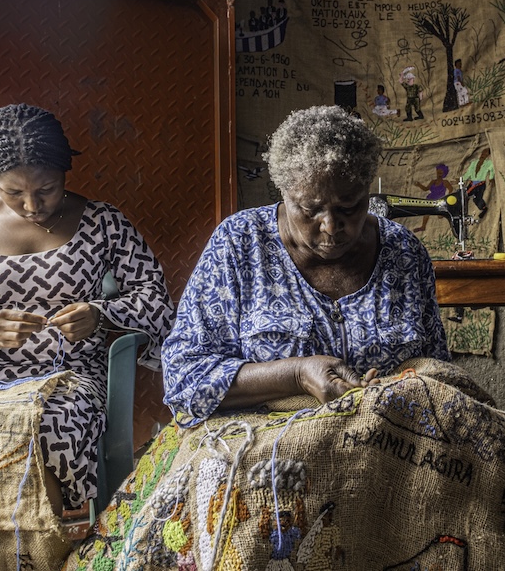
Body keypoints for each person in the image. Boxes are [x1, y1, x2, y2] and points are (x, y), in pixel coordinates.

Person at [0, 103, 175, 513]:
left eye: (46, 190)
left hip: (69, 374)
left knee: (46, 428)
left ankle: (45, 540)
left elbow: (154, 297)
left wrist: (101, 314)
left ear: (64, 173)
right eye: (13, 193)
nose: (31, 206)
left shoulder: (104, 223)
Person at [162, 105, 450, 426]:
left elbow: (437, 372)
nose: (330, 225)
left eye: (348, 207)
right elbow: (184, 379)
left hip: (386, 447)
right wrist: (297, 374)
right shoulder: (240, 243)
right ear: (284, 192)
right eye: (311, 209)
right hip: (268, 451)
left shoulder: (404, 252)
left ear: (368, 191)